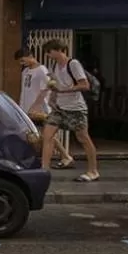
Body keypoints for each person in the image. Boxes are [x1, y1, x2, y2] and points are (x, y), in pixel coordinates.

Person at [40, 41, 99, 182]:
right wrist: (53, 97)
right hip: (59, 108)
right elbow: (56, 85)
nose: (48, 55)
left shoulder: (73, 64)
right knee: (47, 135)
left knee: (83, 138)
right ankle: (44, 170)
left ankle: (93, 170)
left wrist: (64, 90)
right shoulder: (54, 66)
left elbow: (85, 85)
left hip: (75, 108)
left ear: (59, 50)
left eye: (49, 51)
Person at [15, 47, 72, 167]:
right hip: (26, 108)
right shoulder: (25, 72)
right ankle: (65, 156)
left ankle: (63, 156)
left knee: (46, 133)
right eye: (20, 62)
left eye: (23, 60)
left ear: (30, 56)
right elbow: (24, 90)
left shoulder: (41, 70)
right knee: (40, 133)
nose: (22, 63)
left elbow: (45, 90)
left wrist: (36, 105)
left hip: (40, 109)